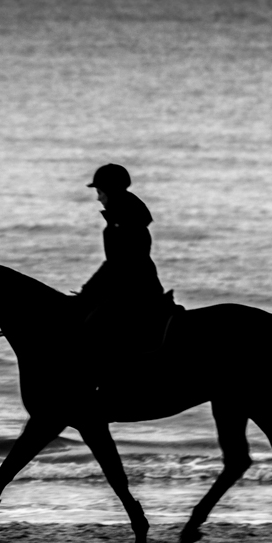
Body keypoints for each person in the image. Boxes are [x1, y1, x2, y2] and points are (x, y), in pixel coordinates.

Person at [76, 164, 174, 383]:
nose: (98, 199)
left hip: (134, 291)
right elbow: (115, 264)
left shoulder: (124, 222)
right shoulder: (125, 217)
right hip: (130, 286)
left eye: (99, 192)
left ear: (110, 191)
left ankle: (104, 386)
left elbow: (118, 264)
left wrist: (87, 292)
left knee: (90, 330)